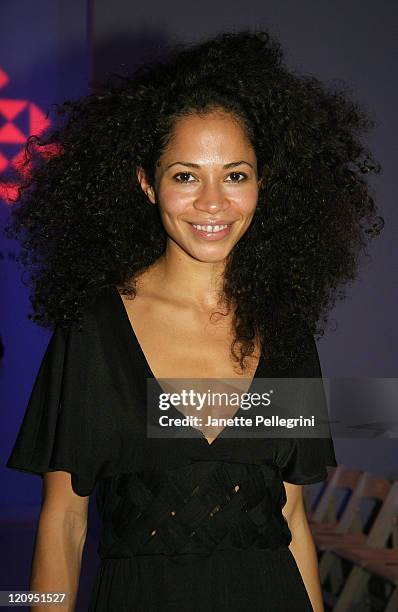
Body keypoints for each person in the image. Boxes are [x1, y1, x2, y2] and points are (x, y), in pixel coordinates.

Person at [5, 29, 383, 612]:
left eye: (236, 175)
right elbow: (63, 524)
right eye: (185, 175)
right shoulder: (95, 331)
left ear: (261, 185)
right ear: (145, 183)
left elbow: (290, 517)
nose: (213, 202)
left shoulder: (282, 330)